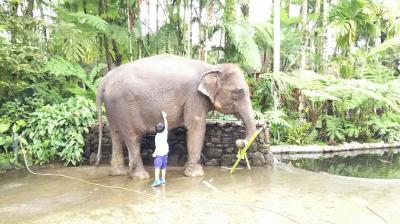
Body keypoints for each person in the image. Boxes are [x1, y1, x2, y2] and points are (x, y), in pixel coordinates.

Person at [152, 111, 169, 187]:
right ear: (164, 129)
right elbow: (166, 125)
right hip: (165, 153)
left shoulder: (157, 137)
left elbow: (157, 146)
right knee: (164, 167)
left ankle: (156, 180)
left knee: (157, 167)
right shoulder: (165, 133)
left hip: (159, 154)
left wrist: (154, 153)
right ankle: (163, 179)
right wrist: (164, 117)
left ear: (156, 129)